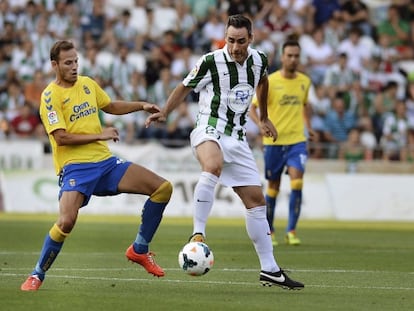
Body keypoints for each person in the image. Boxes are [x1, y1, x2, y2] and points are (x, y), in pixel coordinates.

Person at [146, 14, 304, 290]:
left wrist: (264, 117)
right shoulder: (211, 61)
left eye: (240, 41)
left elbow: (263, 83)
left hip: (238, 138)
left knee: (257, 202)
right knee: (213, 165)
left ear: (251, 39)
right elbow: (185, 86)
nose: (234, 47)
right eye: (230, 40)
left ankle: (270, 269)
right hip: (209, 128)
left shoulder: (259, 60)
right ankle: (198, 233)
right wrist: (165, 112)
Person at [20, 40, 173, 291]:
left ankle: (139, 250)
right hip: (75, 168)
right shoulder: (50, 96)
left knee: (163, 188)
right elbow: (61, 137)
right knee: (67, 221)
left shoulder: (88, 84)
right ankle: (37, 274)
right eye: (68, 63)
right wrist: (99, 134)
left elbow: (110, 106)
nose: (74, 67)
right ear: (54, 65)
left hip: (106, 163)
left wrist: (141, 105)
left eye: (76, 61)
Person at [250, 40, 314, 246]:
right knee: (273, 186)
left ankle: (292, 230)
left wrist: (308, 126)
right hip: (274, 142)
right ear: (282, 56)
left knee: (297, 180)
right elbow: (253, 108)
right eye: (290, 55)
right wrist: (261, 124)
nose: (293, 59)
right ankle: (270, 230)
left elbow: (304, 106)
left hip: (297, 141)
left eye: (297, 55)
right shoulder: (270, 81)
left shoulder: (305, 81)